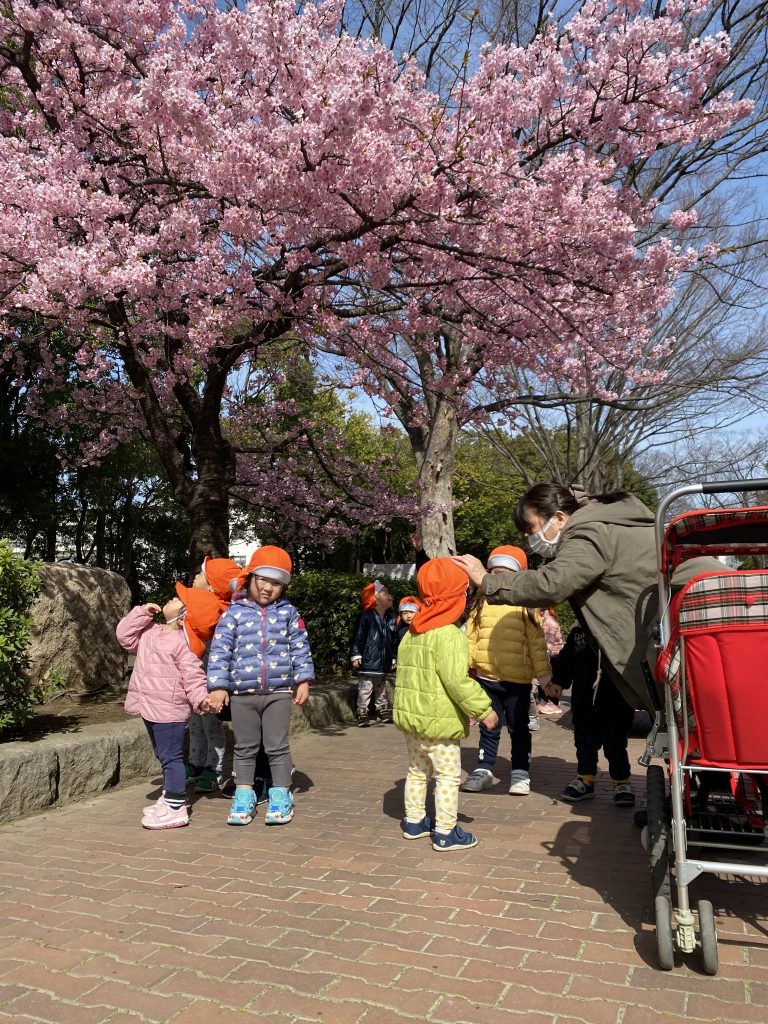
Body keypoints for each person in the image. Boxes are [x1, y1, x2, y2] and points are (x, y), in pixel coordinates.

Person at [452, 482, 724, 805]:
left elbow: (552, 584)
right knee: (712, 725)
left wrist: (487, 580)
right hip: (700, 624)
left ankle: (701, 800)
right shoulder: (605, 521)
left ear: (559, 517)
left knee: (703, 727)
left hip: (690, 630)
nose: (528, 538)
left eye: (531, 528)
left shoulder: (586, 533)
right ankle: (703, 796)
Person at [393, 558, 499, 852]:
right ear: (456, 597)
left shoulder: (412, 633)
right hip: (439, 724)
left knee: (417, 771)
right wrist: (483, 709)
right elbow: (457, 681)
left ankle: (414, 822)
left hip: (413, 722)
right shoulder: (450, 635)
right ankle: (445, 831)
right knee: (448, 777)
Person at [205, 546, 313, 827]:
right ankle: (244, 794)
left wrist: (303, 679)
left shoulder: (288, 612)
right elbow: (220, 651)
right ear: (249, 577)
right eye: (262, 580)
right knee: (245, 747)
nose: (267, 588)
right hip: (243, 693)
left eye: (276, 583)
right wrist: (218, 686)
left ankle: (279, 793)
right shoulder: (234, 613)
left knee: (277, 746)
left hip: (278, 692)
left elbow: (300, 647)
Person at [116, 585, 221, 830]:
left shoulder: (183, 644)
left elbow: (193, 677)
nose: (172, 597)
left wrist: (201, 700)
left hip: (169, 712)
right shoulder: (150, 631)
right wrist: (141, 613)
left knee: (172, 758)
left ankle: (176, 806)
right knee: (163, 756)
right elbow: (124, 636)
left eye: (179, 599)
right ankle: (169, 796)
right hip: (149, 707)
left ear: (184, 615)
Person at [463, 546, 553, 796]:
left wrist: (544, 676)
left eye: (505, 573)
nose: (498, 578)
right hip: (486, 677)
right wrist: (464, 667)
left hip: (518, 680)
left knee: (519, 727)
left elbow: (537, 642)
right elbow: (471, 636)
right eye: (494, 572)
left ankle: (520, 772)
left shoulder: (526, 604)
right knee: (488, 726)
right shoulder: (481, 600)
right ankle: (484, 768)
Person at [551, 624, 636, 806]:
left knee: (616, 744)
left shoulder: (624, 627)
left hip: (616, 702)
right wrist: (559, 681)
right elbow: (566, 660)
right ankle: (585, 779)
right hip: (584, 702)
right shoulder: (578, 634)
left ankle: (621, 781)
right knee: (584, 744)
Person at [185, 557, 240, 794]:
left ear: (211, 587)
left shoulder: (220, 614)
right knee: (194, 724)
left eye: (200, 574)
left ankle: (213, 769)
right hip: (193, 677)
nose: (194, 576)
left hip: (211, 681)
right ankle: (195, 763)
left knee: (210, 726)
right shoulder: (197, 606)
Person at [350, 580, 397, 727]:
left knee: (381, 687)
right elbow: (358, 637)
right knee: (365, 687)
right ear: (375, 597)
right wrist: (356, 653)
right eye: (386, 593)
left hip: (383, 662)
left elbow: (394, 640)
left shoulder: (390, 618)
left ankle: (382, 708)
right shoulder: (366, 617)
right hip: (368, 661)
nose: (390, 597)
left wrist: (394, 657)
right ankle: (362, 710)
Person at [535, 607, 564, 716]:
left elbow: (548, 643)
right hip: (551, 655)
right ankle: (545, 701)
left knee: (548, 679)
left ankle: (553, 704)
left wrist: (543, 658)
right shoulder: (546, 619)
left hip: (552, 656)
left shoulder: (548, 621)